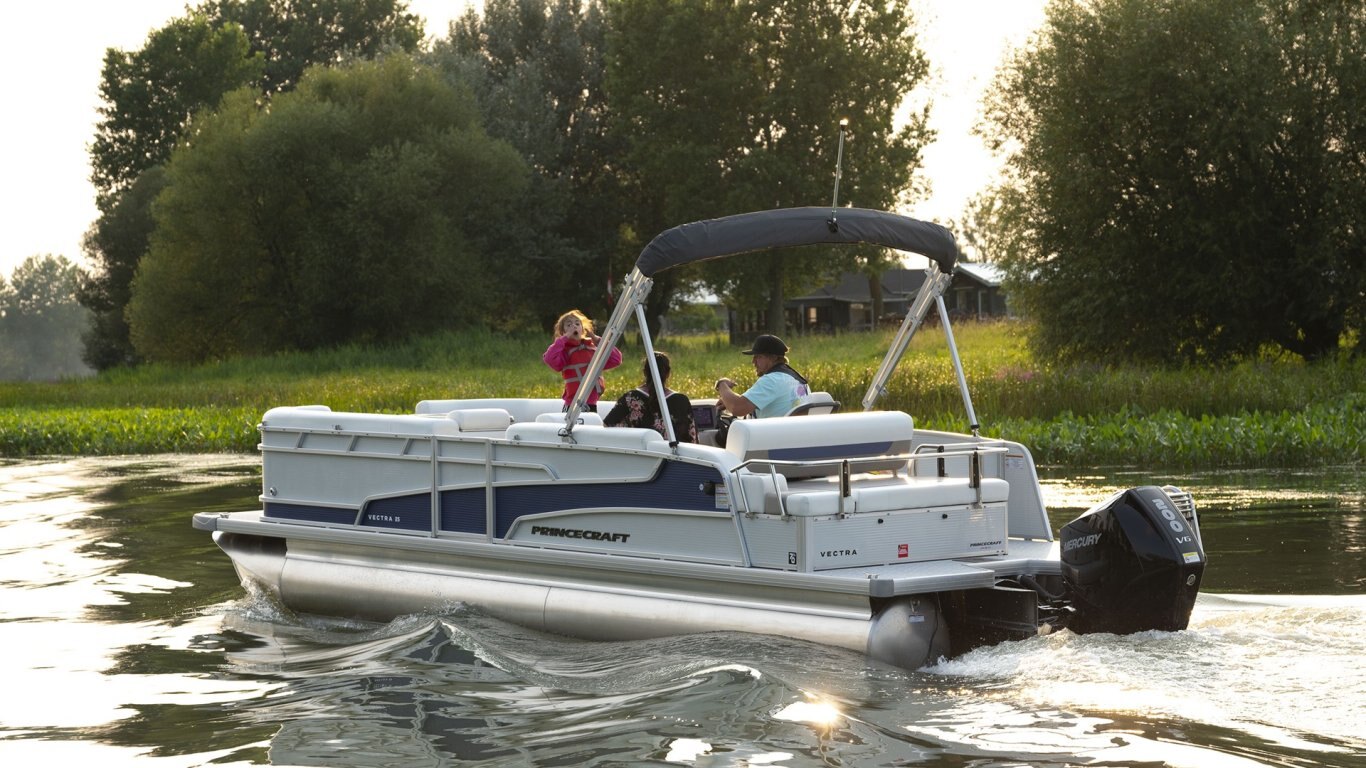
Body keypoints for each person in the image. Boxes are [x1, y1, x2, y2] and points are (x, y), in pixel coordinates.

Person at [603, 352, 697, 442]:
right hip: (672, 452)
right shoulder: (681, 401)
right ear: (668, 373)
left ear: (644, 372)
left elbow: (607, 426)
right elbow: (692, 438)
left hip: (640, 452)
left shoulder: (630, 398)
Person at [714, 334, 810, 419]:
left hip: (771, 433)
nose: (753, 361)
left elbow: (737, 408)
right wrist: (728, 402)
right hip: (792, 432)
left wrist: (722, 384)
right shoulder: (798, 380)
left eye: (758, 357)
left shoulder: (772, 380)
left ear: (774, 358)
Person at [543, 309, 622, 412]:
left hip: (591, 403)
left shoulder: (592, 349)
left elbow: (616, 359)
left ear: (582, 329)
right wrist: (564, 338)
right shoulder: (564, 351)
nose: (574, 326)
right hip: (572, 404)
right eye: (569, 325)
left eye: (577, 324)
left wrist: (597, 339)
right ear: (563, 332)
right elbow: (549, 358)